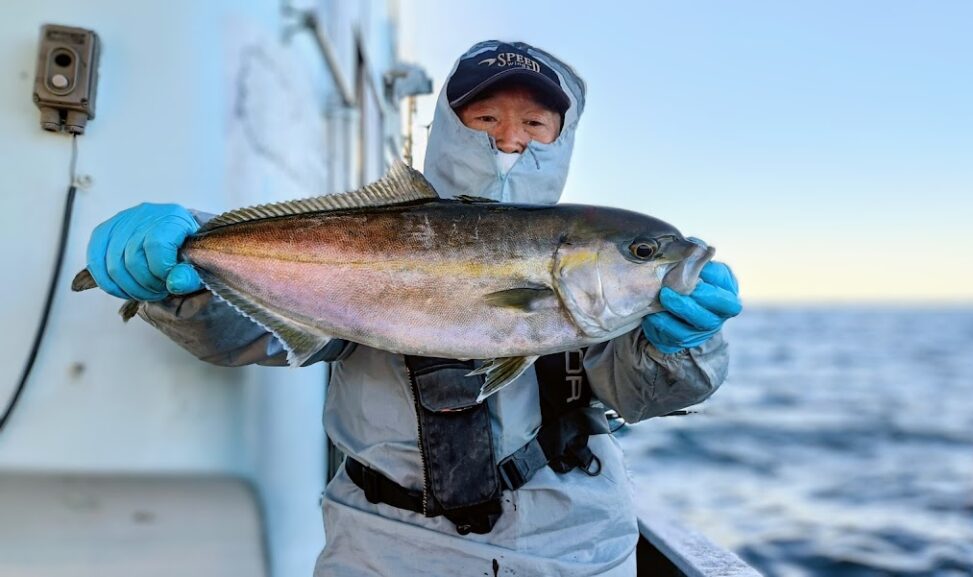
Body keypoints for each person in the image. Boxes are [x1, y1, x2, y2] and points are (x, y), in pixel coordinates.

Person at [85, 40, 741, 576]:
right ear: (450, 127)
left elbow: (643, 393)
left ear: (561, 138)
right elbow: (247, 333)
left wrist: (680, 346)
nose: (510, 140)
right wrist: (181, 287)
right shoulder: (375, 231)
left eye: (536, 123)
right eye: (485, 118)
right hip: (383, 549)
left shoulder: (607, 293)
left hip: (571, 546)